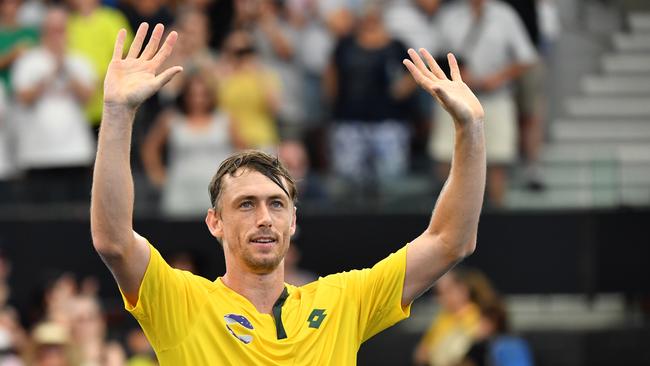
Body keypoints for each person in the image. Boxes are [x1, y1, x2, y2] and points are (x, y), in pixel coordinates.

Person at [90, 22, 486, 364]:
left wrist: (470, 130)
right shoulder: (181, 301)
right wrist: (118, 113)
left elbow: (451, 241)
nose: (264, 217)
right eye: (246, 204)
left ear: (293, 220)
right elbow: (114, 241)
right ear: (216, 222)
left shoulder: (341, 301)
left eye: (276, 204)